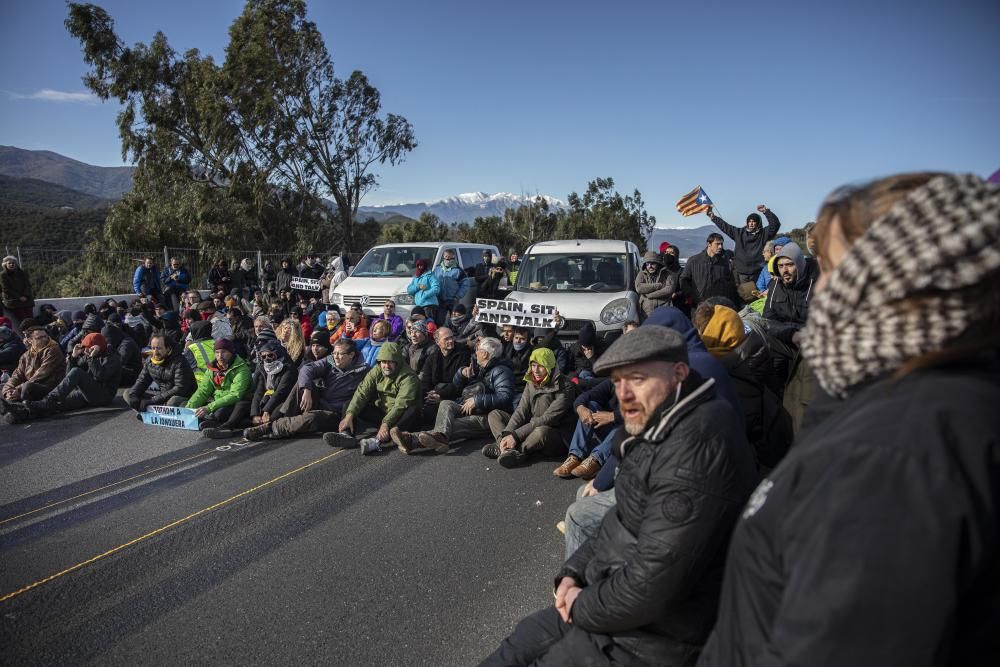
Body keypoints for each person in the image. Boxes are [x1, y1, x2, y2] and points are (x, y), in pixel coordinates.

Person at [698, 173, 1000, 666]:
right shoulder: (885, 392)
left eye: (835, 269)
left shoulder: (893, 453)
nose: (827, 291)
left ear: (900, 280)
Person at [481, 326, 757, 667]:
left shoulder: (697, 451)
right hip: (613, 608)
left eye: (637, 379)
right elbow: (621, 519)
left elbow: (653, 585)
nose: (623, 394)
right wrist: (572, 574)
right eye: (617, 382)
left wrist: (581, 603)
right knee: (520, 642)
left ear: (679, 374)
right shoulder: (659, 426)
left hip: (648, 640)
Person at [397, 336, 515, 454]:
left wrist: (477, 400)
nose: (476, 352)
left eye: (478, 350)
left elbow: (505, 397)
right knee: (445, 404)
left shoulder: (501, 371)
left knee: (449, 425)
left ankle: (412, 440)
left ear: (484, 354)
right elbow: (457, 388)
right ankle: (440, 437)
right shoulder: (480, 369)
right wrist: (461, 374)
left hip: (486, 415)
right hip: (471, 407)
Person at [246, 338, 369, 440]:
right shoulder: (330, 361)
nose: (336, 357)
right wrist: (307, 389)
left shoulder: (363, 371)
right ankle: (276, 422)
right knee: (301, 385)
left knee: (312, 417)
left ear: (351, 355)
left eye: (340, 354)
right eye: (334, 353)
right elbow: (307, 369)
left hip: (336, 413)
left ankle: (269, 428)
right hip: (321, 401)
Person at [321, 342, 421, 454]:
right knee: (349, 404)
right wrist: (350, 415)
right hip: (384, 412)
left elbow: (401, 404)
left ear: (397, 361)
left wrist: (385, 424)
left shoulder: (408, 377)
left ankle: (379, 441)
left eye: (390, 362)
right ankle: (346, 434)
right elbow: (362, 392)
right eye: (384, 362)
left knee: (412, 410)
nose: (386, 366)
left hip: (400, 415)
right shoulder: (377, 370)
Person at [484, 347, 575, 468]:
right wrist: (508, 433)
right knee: (495, 415)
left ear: (550, 367)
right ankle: (504, 447)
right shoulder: (531, 380)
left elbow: (548, 419)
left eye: (541, 366)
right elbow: (521, 410)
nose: (536, 370)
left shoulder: (566, 387)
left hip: (555, 433)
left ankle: (518, 452)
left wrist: (516, 435)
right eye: (533, 365)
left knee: (541, 431)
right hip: (529, 426)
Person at [6, 332, 121, 423]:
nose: (85, 350)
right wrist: (73, 357)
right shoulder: (89, 355)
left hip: (103, 396)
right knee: (58, 405)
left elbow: (100, 376)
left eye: (87, 348)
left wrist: (91, 358)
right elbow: (68, 375)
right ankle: (21, 413)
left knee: (77, 372)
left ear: (97, 348)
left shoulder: (112, 357)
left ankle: (48, 401)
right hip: (85, 393)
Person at [202, 339, 297, 439]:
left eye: (270, 355)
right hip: (266, 400)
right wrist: (255, 414)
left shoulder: (288, 368)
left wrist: (266, 411)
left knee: (277, 412)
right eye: (264, 356)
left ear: (278, 354)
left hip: (283, 401)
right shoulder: (263, 368)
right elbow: (259, 392)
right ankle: (226, 427)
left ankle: (262, 430)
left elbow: (280, 393)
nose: (267, 359)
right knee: (242, 404)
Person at [707, 203, 782, 285]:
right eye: (749, 221)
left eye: (753, 222)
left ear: (758, 223)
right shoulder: (739, 233)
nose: (751, 223)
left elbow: (775, 224)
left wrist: (766, 211)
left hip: (759, 272)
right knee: (744, 295)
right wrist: (713, 217)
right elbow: (725, 226)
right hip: (741, 273)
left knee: (759, 294)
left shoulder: (764, 234)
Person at [185, 338, 252, 429]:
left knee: (220, 413)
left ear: (231, 352)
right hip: (218, 402)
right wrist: (189, 409)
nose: (220, 356)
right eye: (217, 352)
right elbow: (203, 391)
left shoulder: (242, 369)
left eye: (224, 352)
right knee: (185, 405)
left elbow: (235, 395)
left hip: (237, 403)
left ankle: (218, 424)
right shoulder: (212, 368)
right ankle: (208, 421)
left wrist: (209, 408)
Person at [125, 332, 197, 411]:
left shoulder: (179, 361)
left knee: (173, 402)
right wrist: (134, 396)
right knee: (129, 394)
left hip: (182, 396)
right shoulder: (150, 361)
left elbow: (180, 389)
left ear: (168, 349)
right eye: (153, 348)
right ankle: (143, 414)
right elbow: (142, 381)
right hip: (162, 397)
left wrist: (153, 401)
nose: (155, 352)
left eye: (159, 348)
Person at [0, 320, 66, 405]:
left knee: (27, 387)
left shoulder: (53, 349)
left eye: (45, 336)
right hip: (30, 385)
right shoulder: (26, 355)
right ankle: (13, 404)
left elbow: (41, 374)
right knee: (3, 387)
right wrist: (8, 390)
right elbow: (17, 375)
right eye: (39, 338)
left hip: (50, 386)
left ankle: (20, 407)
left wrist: (18, 389)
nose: (44, 339)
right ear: (30, 340)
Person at [418, 326, 471, 424]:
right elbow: (425, 381)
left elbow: (460, 384)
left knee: (430, 413)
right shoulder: (432, 358)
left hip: (455, 396)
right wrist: (428, 396)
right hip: (435, 394)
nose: (451, 341)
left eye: (452, 337)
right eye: (446, 339)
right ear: (438, 342)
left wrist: (441, 395)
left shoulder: (463, 353)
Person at [680, 233, 739, 306]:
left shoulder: (725, 263)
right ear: (709, 244)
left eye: (721, 244)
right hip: (699, 305)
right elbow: (683, 279)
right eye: (717, 244)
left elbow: (731, 283)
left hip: (719, 305)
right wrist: (691, 294)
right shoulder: (694, 261)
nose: (720, 247)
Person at [635, 250, 679, 318]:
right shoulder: (641, 274)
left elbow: (669, 289)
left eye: (653, 264)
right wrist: (658, 285)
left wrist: (650, 295)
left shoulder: (668, 274)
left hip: (664, 308)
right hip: (646, 311)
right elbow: (639, 288)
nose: (650, 266)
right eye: (647, 264)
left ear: (658, 263)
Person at [432, 249, 468, 326]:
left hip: (453, 299)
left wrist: (457, 296)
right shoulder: (437, 269)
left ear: (453, 257)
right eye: (446, 257)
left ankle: (456, 334)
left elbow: (465, 285)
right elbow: (432, 282)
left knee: (455, 320)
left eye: (449, 257)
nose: (447, 259)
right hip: (440, 299)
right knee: (439, 319)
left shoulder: (458, 270)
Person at [1, 255, 35, 329]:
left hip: (27, 300)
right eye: (9, 263)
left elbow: (28, 285)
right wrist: (19, 297)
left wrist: (25, 295)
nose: (11, 264)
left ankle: (35, 335)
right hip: (14, 302)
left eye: (13, 263)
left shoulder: (21, 272)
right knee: (24, 321)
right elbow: (6, 289)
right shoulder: (3, 275)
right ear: (5, 265)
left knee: (31, 320)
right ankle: (29, 337)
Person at [406, 258, 441, 323]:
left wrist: (425, 294)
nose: (420, 267)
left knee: (429, 324)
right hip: (419, 305)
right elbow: (409, 290)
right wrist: (418, 286)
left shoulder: (430, 275)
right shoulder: (416, 277)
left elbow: (436, 288)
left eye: (421, 265)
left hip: (429, 305)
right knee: (420, 324)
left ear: (425, 266)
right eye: (418, 265)